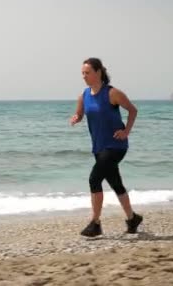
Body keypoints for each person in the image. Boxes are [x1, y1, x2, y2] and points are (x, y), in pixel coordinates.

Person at [70, 57, 143, 237]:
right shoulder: (84, 96)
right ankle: (132, 218)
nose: (84, 76)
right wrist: (76, 119)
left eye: (87, 73)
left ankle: (95, 223)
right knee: (116, 183)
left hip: (116, 146)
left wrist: (126, 131)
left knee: (94, 179)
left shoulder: (112, 93)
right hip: (99, 147)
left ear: (98, 72)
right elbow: (79, 114)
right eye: (82, 73)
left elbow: (133, 110)